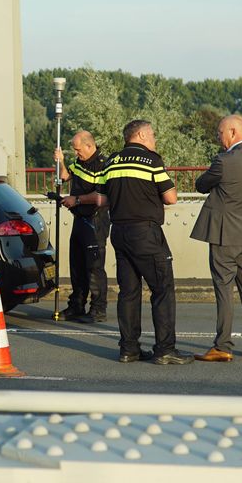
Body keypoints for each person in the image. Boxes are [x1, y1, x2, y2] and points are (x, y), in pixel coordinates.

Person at [71, 120, 193, 365]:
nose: (155, 139)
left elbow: (101, 199)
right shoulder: (152, 160)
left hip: (119, 233)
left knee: (129, 293)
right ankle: (165, 349)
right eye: (153, 134)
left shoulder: (112, 162)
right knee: (162, 290)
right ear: (140, 134)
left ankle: (129, 349)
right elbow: (171, 198)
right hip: (146, 233)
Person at [191, 114, 242, 362]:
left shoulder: (224, 161)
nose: (218, 138)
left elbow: (201, 184)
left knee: (224, 289)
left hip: (225, 235)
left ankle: (222, 345)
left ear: (233, 132)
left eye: (220, 133)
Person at [53, 131, 110, 323]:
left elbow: (102, 198)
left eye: (78, 150)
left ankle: (98, 309)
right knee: (77, 265)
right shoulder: (79, 162)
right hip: (79, 220)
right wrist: (60, 160)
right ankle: (76, 305)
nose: (76, 154)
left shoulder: (102, 165)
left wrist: (76, 199)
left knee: (94, 267)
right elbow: (65, 176)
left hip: (95, 221)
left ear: (89, 145)